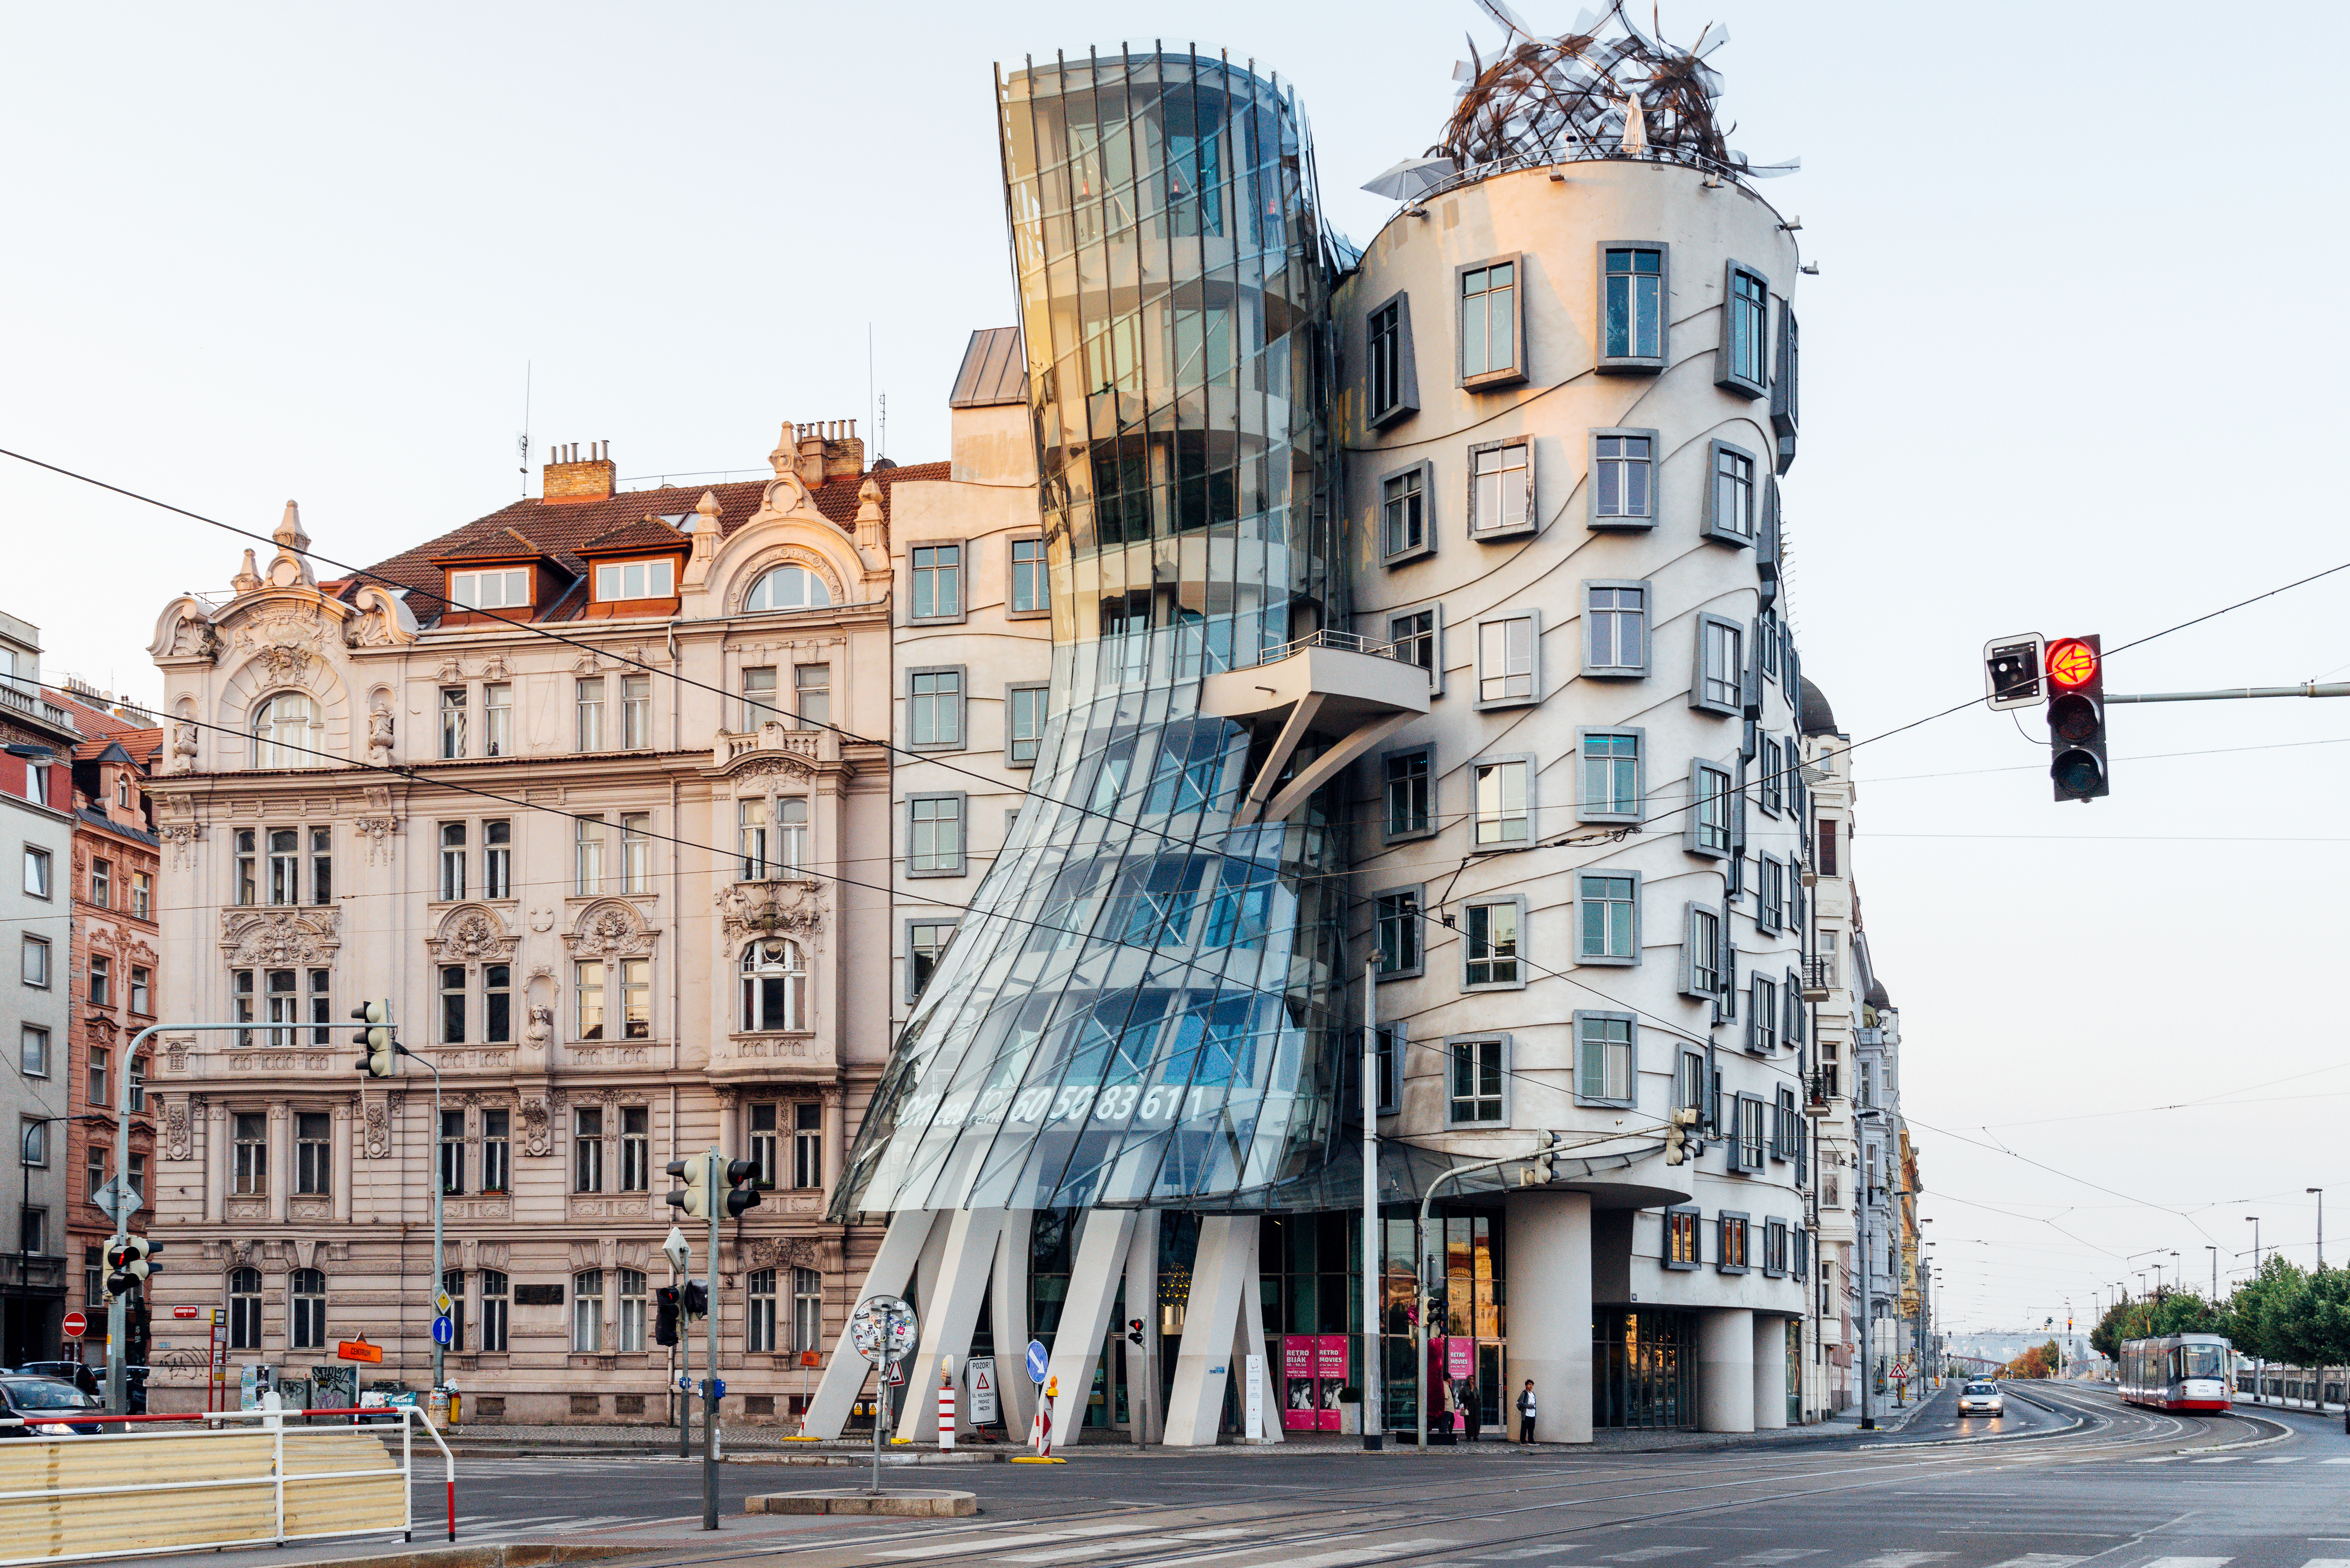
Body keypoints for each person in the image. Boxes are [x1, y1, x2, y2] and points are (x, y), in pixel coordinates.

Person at [1515, 1378, 1537, 1443]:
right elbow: (1520, 1403)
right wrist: (1529, 1406)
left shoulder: (1533, 1394)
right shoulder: (1524, 1393)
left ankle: (1531, 1441)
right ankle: (1523, 1441)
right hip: (1526, 1413)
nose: (1531, 1386)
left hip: (1533, 1413)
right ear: (1526, 1385)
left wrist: (1534, 1410)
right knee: (1524, 1428)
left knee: (1531, 1428)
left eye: (1532, 1385)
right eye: (1530, 1385)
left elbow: (1534, 1404)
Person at [1460, 1379, 1482, 1443]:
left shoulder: (1476, 1388)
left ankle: (1476, 1436)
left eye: (1473, 1379)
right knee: (1469, 1421)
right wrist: (1472, 1389)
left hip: (1476, 1406)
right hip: (1469, 1406)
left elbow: (1478, 1397)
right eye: (1470, 1379)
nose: (1472, 1381)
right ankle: (1469, 1436)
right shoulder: (1466, 1388)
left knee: (1476, 1421)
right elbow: (1468, 1396)